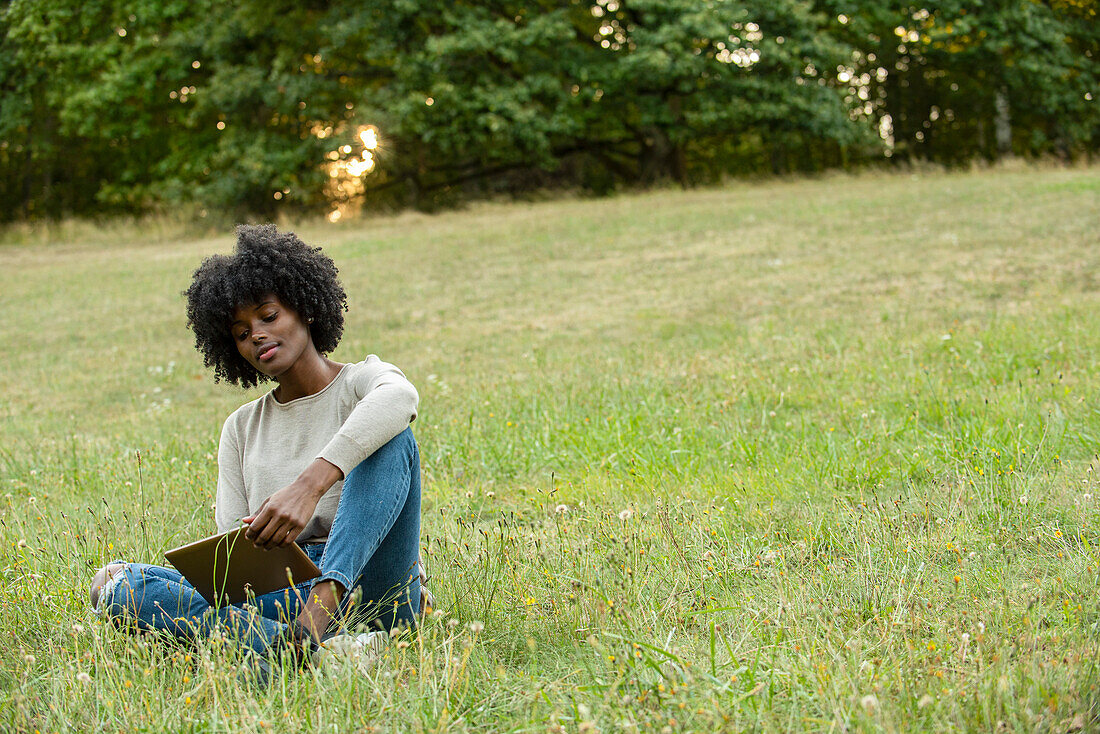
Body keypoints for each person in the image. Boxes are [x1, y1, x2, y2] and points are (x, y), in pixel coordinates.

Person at [88, 224, 430, 672]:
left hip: (373, 581)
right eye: (242, 332)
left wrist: (308, 487)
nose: (258, 336)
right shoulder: (241, 427)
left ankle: (305, 631)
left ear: (305, 308)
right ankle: (321, 655)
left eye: (268, 316)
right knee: (115, 583)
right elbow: (235, 557)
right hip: (286, 587)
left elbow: (401, 400)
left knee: (392, 438)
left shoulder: (363, 383)